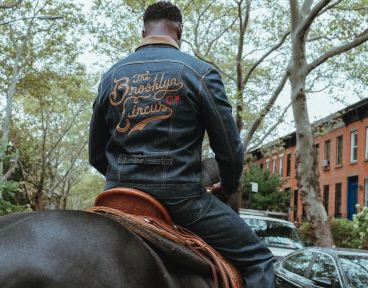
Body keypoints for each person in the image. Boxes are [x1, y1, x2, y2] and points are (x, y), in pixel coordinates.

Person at [89, 2, 274, 287]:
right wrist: (227, 184)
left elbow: (95, 154)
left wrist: (123, 180)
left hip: (118, 195)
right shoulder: (200, 72)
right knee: (259, 259)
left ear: (143, 31)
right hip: (182, 199)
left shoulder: (110, 76)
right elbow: (229, 150)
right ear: (179, 31)